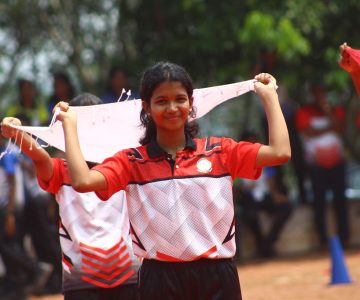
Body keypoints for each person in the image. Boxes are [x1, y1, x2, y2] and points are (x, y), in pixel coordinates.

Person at [50, 62, 290, 300]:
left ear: (191, 102)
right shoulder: (131, 161)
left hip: (218, 275)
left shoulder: (220, 151)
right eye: (162, 101)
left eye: (180, 99)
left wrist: (270, 97)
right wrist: (70, 127)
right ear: (146, 107)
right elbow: (82, 181)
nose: (172, 108)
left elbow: (280, 152)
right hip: (159, 279)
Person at [1, 93, 140, 300]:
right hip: (80, 281)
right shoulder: (61, 170)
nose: (89, 134)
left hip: (129, 276)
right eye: (78, 127)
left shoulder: (122, 166)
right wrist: (18, 134)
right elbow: (40, 158)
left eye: (95, 125)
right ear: (66, 131)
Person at [295, 83, 350, 249]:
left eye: (323, 93)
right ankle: (322, 240)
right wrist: (329, 127)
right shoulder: (304, 112)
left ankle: (344, 237)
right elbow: (308, 132)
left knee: (340, 200)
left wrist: (327, 111)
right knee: (319, 201)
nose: (321, 97)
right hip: (316, 164)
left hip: (337, 163)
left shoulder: (336, 110)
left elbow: (340, 128)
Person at [0, 135, 53, 299]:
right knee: (13, 244)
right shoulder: (9, 152)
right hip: (14, 205)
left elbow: (12, 180)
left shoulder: (6, 154)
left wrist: (9, 212)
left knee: (7, 246)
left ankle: (35, 269)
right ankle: (17, 286)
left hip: (11, 207)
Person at [233, 131, 293, 259]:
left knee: (286, 207)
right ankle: (262, 245)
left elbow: (271, 181)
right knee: (250, 216)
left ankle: (268, 243)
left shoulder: (265, 160)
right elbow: (235, 185)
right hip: (248, 198)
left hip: (266, 196)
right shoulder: (236, 163)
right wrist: (243, 188)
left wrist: (276, 194)